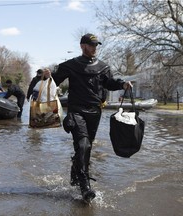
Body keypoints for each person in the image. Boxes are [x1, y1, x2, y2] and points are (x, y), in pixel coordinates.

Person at [51, 33, 133, 202]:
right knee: (83, 144)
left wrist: (122, 84)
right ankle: (85, 186)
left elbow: (109, 82)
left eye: (96, 45)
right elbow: (53, 79)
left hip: (95, 112)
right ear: (83, 46)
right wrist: (45, 76)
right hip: (76, 111)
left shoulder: (103, 67)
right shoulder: (71, 64)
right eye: (92, 45)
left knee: (86, 148)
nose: (95, 48)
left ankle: (75, 174)